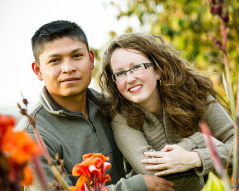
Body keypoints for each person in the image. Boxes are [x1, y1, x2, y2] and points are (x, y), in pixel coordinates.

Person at [15, 21, 174, 191]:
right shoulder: (31, 135)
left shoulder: (113, 107)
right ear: (38, 70)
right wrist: (137, 185)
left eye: (76, 56)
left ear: (91, 59)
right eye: (55, 60)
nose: (68, 68)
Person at [98, 33, 239, 190]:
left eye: (136, 67)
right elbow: (152, 169)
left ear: (158, 70)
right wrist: (202, 140)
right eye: (120, 73)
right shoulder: (119, 115)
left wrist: (195, 158)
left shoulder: (194, 93)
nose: (129, 78)